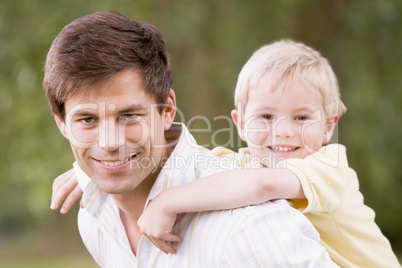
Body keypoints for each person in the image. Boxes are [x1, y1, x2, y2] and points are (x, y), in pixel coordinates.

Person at [45, 11, 338, 267]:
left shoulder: (246, 226)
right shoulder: (95, 217)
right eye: (87, 120)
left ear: (167, 110)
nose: (109, 142)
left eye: (129, 115)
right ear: (62, 124)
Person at [134, 40, 401, 267]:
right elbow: (185, 162)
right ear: (239, 123)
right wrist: (97, 182)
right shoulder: (244, 165)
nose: (283, 130)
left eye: (301, 117)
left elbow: (266, 184)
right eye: (266, 116)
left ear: (328, 126)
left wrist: (167, 202)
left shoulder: (330, 167)